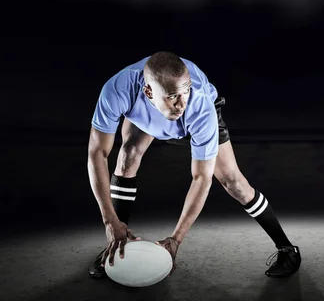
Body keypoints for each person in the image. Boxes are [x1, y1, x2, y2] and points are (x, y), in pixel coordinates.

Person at [87, 51, 301, 279]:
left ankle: (288, 249)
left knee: (233, 183)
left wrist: (175, 239)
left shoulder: (198, 106)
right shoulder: (118, 90)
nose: (181, 104)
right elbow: (97, 152)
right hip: (147, 113)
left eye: (185, 91)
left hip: (195, 120)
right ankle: (117, 244)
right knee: (128, 155)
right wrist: (110, 221)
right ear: (148, 91)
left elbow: (201, 178)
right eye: (173, 96)